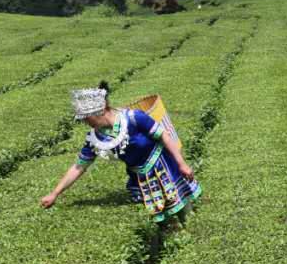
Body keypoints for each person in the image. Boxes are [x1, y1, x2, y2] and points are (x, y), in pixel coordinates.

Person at [41, 83, 200, 226]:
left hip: (165, 167)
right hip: (139, 176)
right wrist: (55, 193)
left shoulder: (134, 118)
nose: (85, 122)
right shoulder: (96, 138)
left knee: (184, 209)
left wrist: (181, 163)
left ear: (101, 110)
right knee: (162, 220)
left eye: (87, 118)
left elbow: (164, 135)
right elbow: (79, 167)